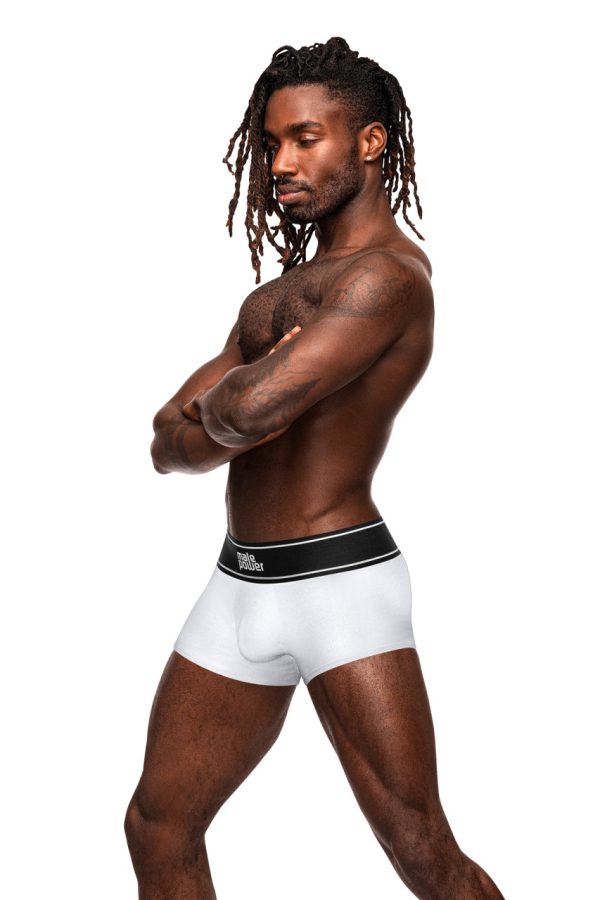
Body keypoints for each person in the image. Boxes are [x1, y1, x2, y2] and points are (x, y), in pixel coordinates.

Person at [124, 36, 505, 900]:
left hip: (339, 586)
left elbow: (244, 412)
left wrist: (234, 403)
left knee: (421, 849)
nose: (280, 164)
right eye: (271, 144)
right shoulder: (273, 299)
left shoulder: (388, 281)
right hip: (239, 585)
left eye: (304, 139)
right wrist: (244, 397)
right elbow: (164, 444)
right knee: (157, 825)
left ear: (369, 143)